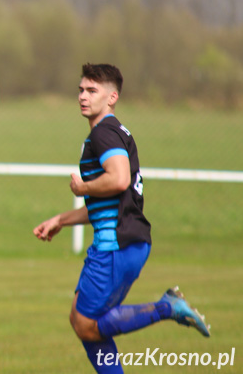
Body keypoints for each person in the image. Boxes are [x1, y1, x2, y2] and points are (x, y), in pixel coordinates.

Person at [33, 63, 210, 374]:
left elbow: (118, 180)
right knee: (80, 318)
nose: (82, 97)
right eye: (80, 90)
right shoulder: (113, 132)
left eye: (92, 91)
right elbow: (110, 200)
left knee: (87, 324)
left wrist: (81, 187)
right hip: (126, 240)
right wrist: (61, 219)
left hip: (115, 244)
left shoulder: (103, 134)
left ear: (112, 97)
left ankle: (167, 307)